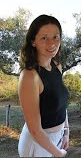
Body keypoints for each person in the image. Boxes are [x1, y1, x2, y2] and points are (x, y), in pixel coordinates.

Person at [18, 14, 70, 157]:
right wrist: (58, 154)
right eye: (44, 38)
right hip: (37, 144)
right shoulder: (30, 76)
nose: (52, 43)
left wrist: (66, 132)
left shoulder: (57, 66)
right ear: (33, 41)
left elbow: (61, 105)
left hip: (57, 139)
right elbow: (35, 130)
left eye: (56, 37)